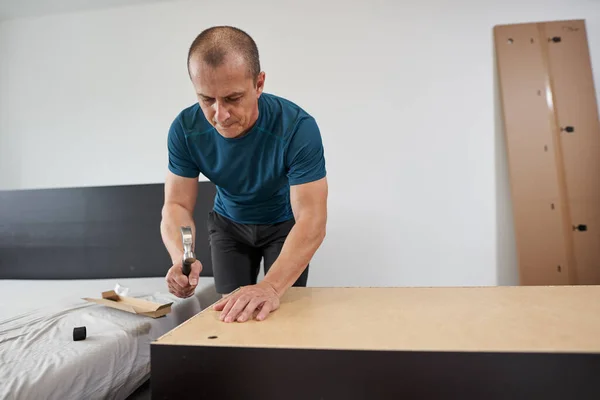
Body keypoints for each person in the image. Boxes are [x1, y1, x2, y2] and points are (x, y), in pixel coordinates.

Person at [160, 26, 328, 323]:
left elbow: (312, 219)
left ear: (259, 83)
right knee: (232, 314)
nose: (219, 115)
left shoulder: (298, 128)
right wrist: (183, 257)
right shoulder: (185, 130)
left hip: (283, 226)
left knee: (282, 312)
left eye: (233, 98)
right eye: (207, 100)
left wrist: (271, 287)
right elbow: (177, 206)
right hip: (229, 227)